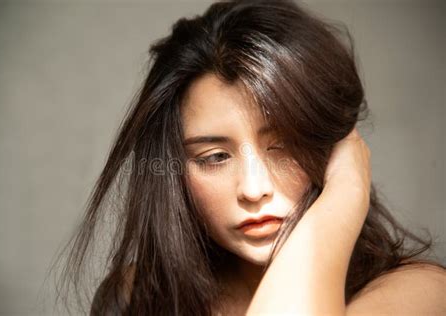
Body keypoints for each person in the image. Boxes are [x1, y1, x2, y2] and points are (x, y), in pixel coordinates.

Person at [52, 0, 445, 315]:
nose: (254, 190)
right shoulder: (136, 297)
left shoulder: (422, 294)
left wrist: (345, 194)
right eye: (215, 156)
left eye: (286, 147)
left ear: (333, 148)